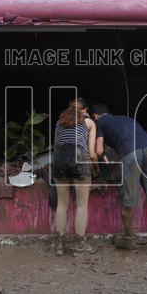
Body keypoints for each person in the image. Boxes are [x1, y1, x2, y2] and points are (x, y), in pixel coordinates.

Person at [90, 103, 147, 258]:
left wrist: (101, 163)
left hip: (130, 155)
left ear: (94, 116)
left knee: (127, 202)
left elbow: (99, 150)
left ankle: (129, 239)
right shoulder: (126, 119)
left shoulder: (98, 123)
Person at [51, 98, 98, 256]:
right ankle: (80, 245)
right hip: (79, 159)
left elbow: (57, 145)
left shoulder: (59, 122)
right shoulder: (89, 122)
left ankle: (60, 244)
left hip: (59, 160)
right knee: (81, 205)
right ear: (84, 110)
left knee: (62, 204)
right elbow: (92, 153)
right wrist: (96, 167)